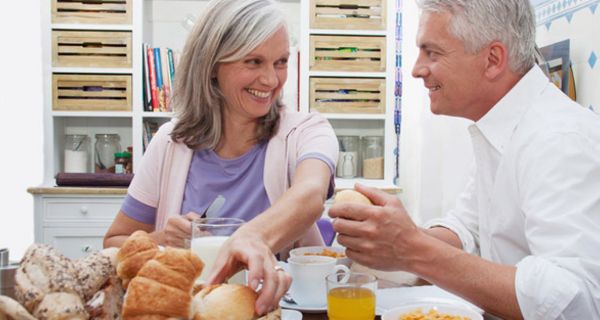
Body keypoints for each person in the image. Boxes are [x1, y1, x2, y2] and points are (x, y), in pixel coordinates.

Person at [329, 0, 600, 319]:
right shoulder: (500, 130)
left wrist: (412, 249)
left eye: (432, 52)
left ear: (493, 59)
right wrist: (391, 239)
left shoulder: (558, 138)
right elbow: (465, 230)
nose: (417, 69)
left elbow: (575, 298)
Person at [103, 0, 338, 314]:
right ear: (213, 65)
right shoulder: (170, 143)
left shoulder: (307, 131)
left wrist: (250, 238)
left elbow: (310, 195)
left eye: (280, 61)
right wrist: (164, 240)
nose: (271, 79)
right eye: (253, 61)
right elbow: (115, 244)